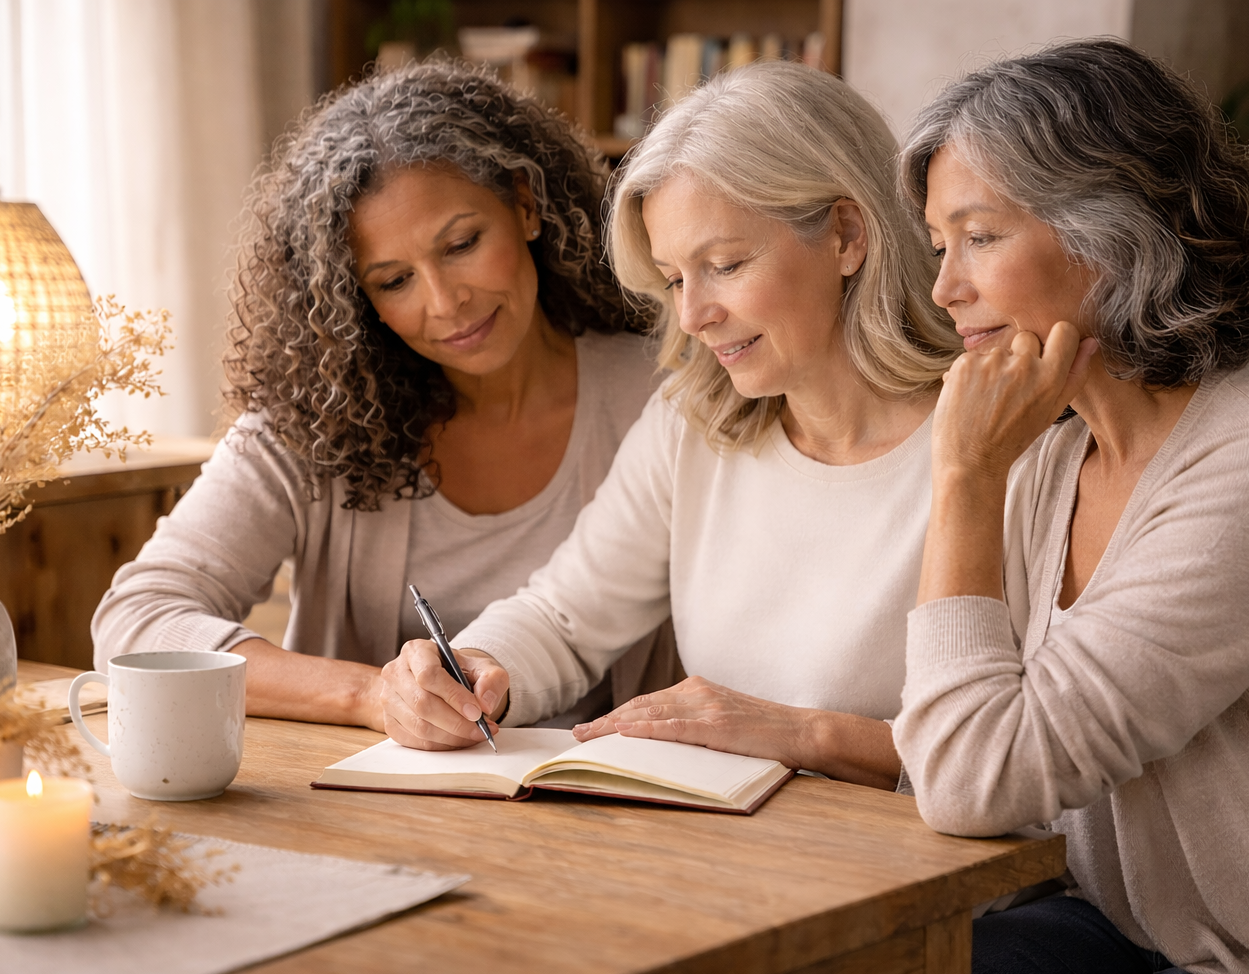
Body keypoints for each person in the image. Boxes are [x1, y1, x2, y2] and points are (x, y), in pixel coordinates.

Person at [894, 40, 1249, 974]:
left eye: (979, 236)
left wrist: (962, 478)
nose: (946, 288)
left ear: (1111, 236)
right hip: (1122, 920)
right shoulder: (1052, 451)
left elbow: (970, 780)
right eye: (939, 245)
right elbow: (964, 739)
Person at [376, 60, 960, 789]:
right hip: (732, 861)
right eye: (676, 278)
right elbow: (564, 617)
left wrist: (805, 736)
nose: (692, 316)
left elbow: (1031, 755)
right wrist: (475, 667)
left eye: (725, 264)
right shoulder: (694, 422)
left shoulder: (992, 437)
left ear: (846, 234)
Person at [92, 60, 670, 730]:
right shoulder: (317, 421)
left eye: (461, 244)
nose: (445, 301)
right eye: (394, 280)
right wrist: (372, 697)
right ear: (355, 299)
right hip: (373, 811)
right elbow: (136, 621)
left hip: (613, 815)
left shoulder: (661, 394)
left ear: (525, 204)